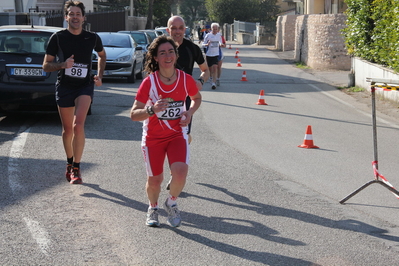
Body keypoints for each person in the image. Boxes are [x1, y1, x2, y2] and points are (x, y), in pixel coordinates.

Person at [130, 36, 202, 227]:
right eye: (162, 53)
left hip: (177, 134)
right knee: (155, 180)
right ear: (155, 58)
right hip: (153, 137)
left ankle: (171, 202)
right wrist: (151, 110)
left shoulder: (185, 79)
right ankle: (152, 207)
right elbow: (133, 114)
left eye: (170, 52)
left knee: (180, 172)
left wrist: (189, 112)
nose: (167, 56)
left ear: (176, 55)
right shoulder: (149, 83)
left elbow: (196, 97)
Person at [42, 0, 106, 184]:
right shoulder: (58, 38)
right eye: (72, 14)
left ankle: (77, 168)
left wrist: (99, 75)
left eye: (78, 14)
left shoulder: (92, 38)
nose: (75, 17)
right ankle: (69, 163)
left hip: (84, 86)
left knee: (79, 125)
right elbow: (45, 66)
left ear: (84, 18)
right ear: (66, 17)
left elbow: (102, 56)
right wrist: (63, 65)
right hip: (65, 86)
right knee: (67, 129)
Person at [166, 15, 209, 144]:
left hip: (184, 100)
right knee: (164, 135)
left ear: (185, 29)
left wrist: (200, 81)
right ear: (168, 30)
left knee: (184, 134)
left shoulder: (192, 48)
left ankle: (183, 156)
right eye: (174, 28)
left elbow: (205, 70)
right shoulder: (160, 48)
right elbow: (149, 71)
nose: (177, 31)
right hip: (162, 98)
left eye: (180, 28)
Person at [203, 23, 226, 90]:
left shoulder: (219, 35)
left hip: (216, 54)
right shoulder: (208, 35)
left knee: (215, 67)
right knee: (210, 69)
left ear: (218, 29)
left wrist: (222, 45)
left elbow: (221, 42)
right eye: (213, 29)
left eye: (216, 29)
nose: (215, 30)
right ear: (211, 28)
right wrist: (206, 44)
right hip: (209, 54)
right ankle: (211, 78)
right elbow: (203, 44)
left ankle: (214, 83)